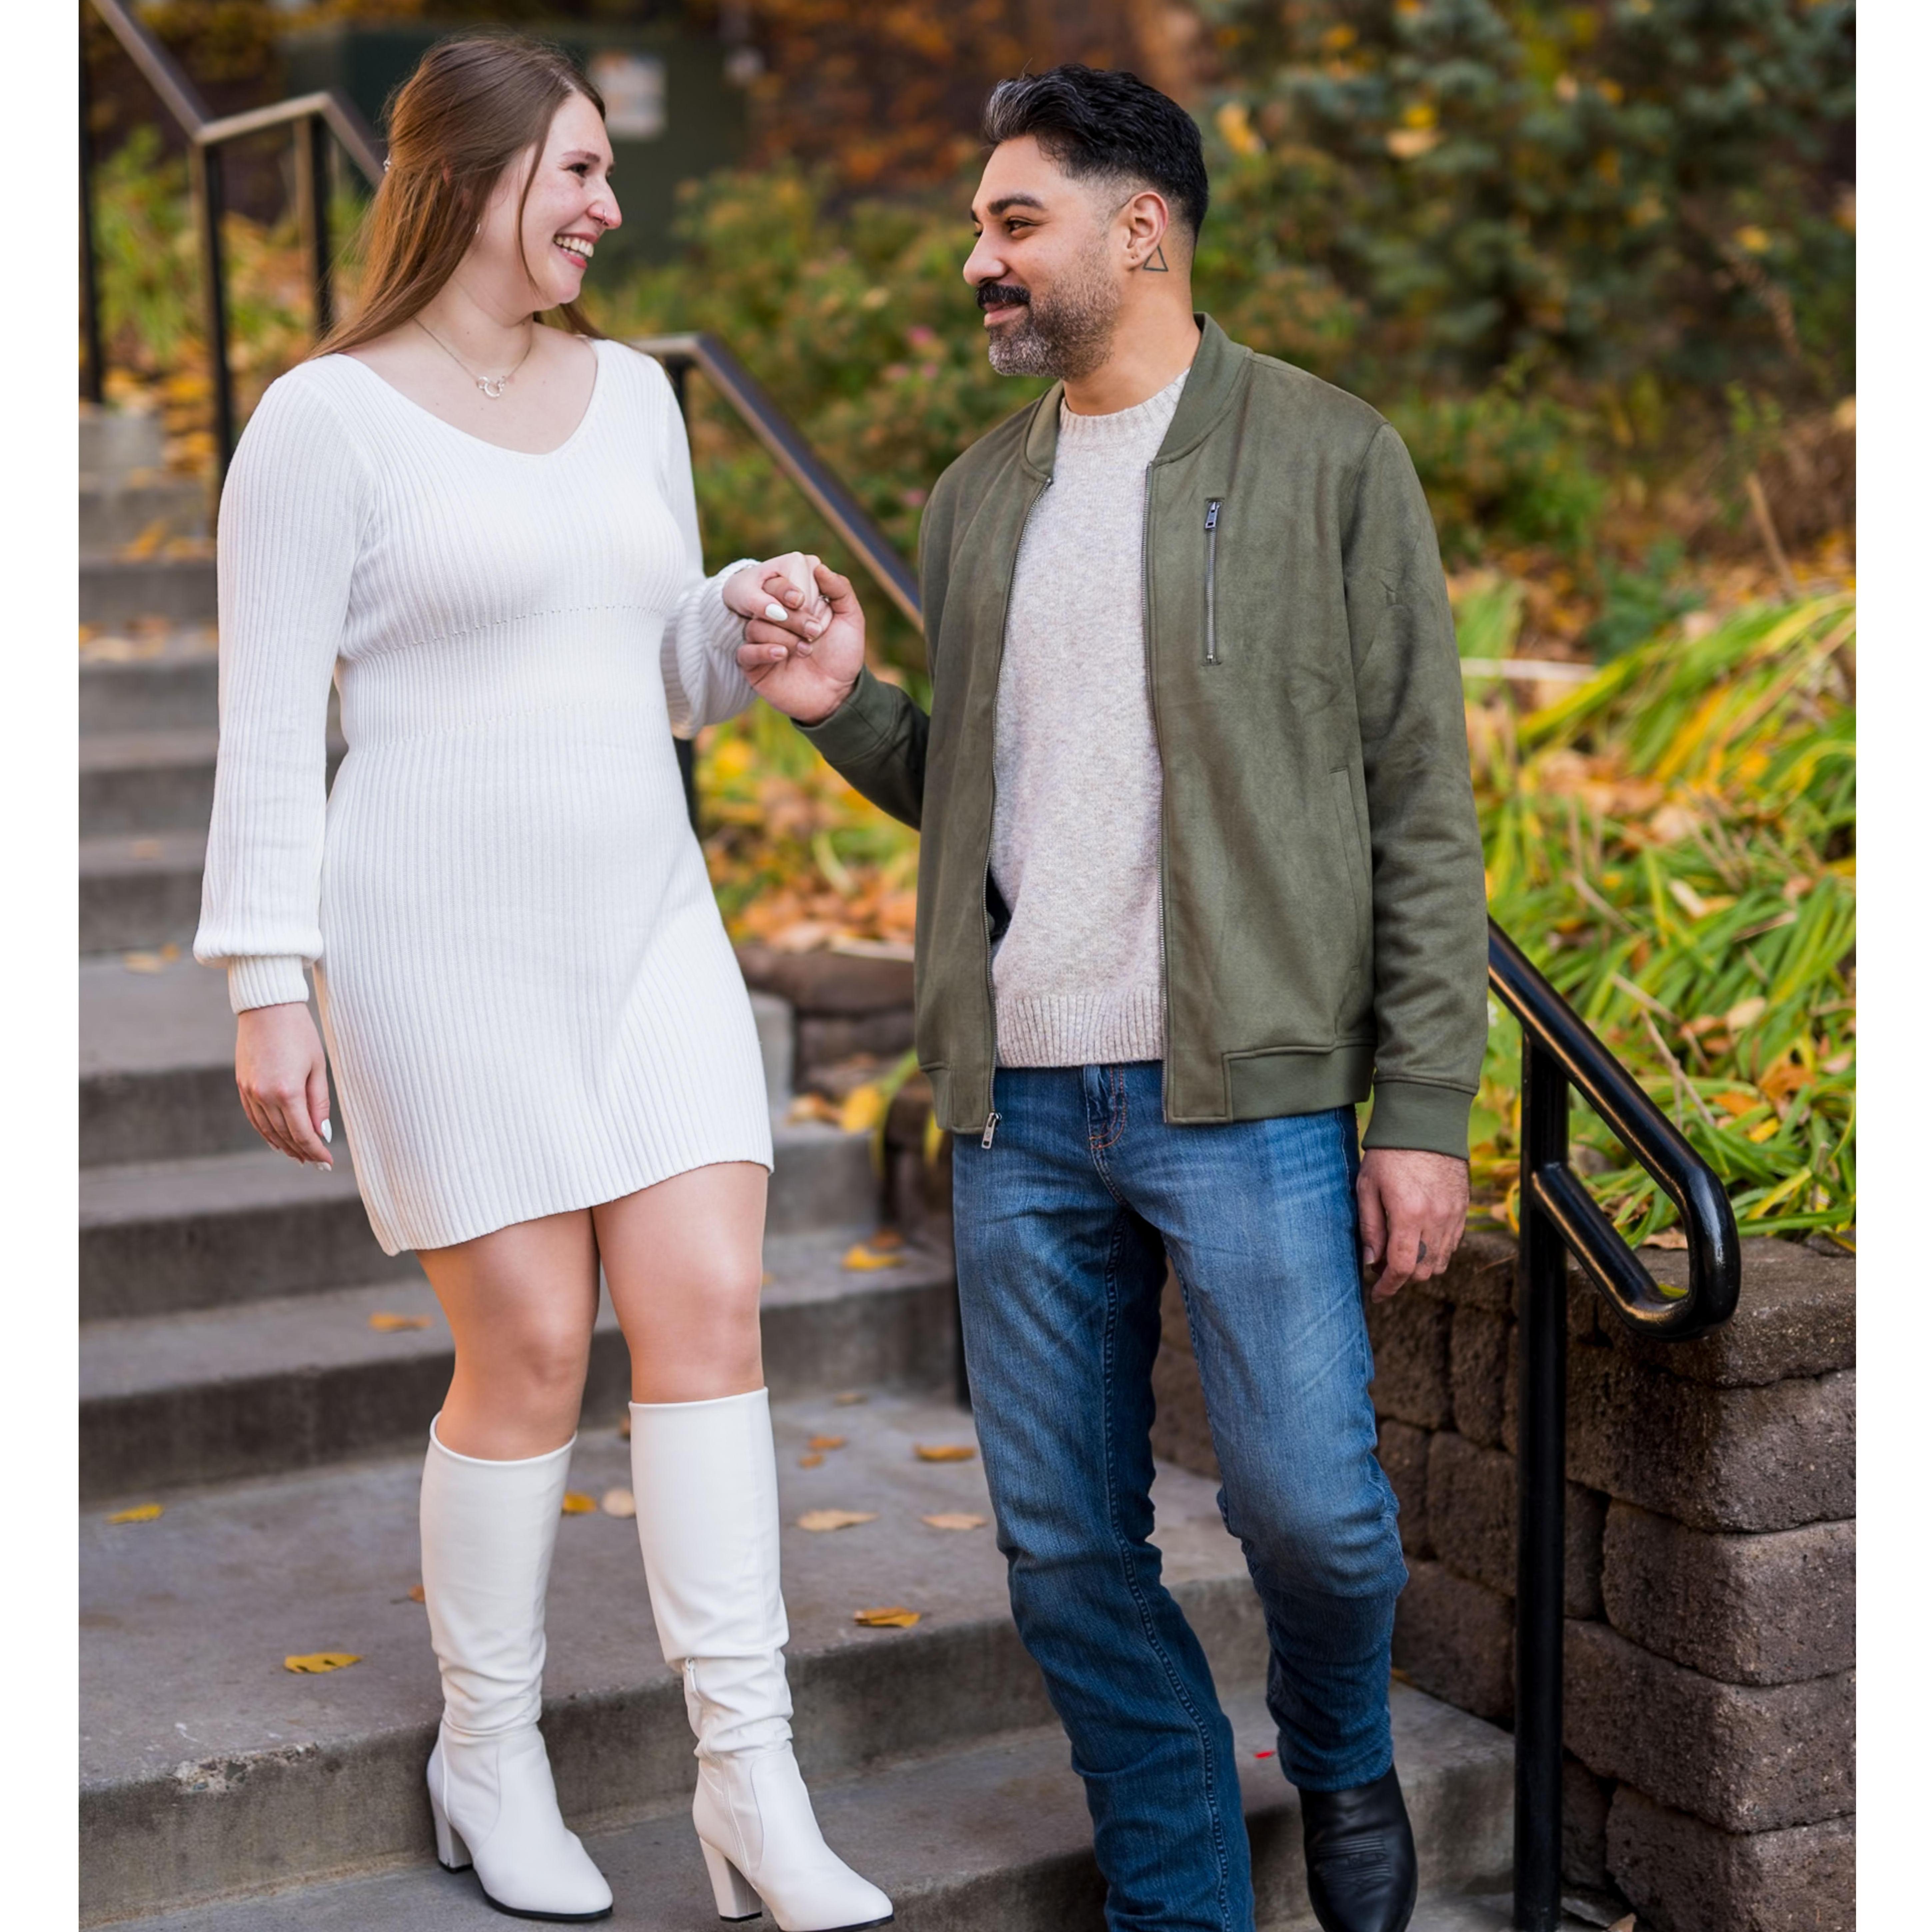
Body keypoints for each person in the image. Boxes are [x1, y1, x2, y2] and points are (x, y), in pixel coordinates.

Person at [738, 64, 1488, 1932]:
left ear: (1138, 228)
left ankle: (1336, 1743)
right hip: (1020, 1100)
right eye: (979, 229)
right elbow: (987, 794)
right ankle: (1181, 1897)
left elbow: (1419, 796)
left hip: (1249, 1090)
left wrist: (1421, 1109)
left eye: (1016, 222)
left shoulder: (1330, 457)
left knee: (1316, 1518)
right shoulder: (974, 497)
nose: (978, 262)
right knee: (1069, 1550)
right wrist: (848, 707)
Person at [194, 31, 891, 1932]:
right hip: (432, 931)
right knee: (524, 1348)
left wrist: (743, 618)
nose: (607, 205)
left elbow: (655, 670)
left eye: (603, 170)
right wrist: (268, 978)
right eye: (576, 171)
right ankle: (488, 1753)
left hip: (643, 917)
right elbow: (268, 724)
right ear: (471, 179)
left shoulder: (636, 396)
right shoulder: (322, 421)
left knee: (713, 1307)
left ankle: (752, 1781)